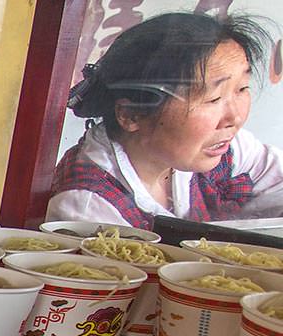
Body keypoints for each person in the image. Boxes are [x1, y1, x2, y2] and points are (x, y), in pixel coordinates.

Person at [47, 12, 283, 228]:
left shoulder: (219, 147)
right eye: (213, 99)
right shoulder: (87, 208)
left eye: (242, 89)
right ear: (131, 115)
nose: (235, 117)